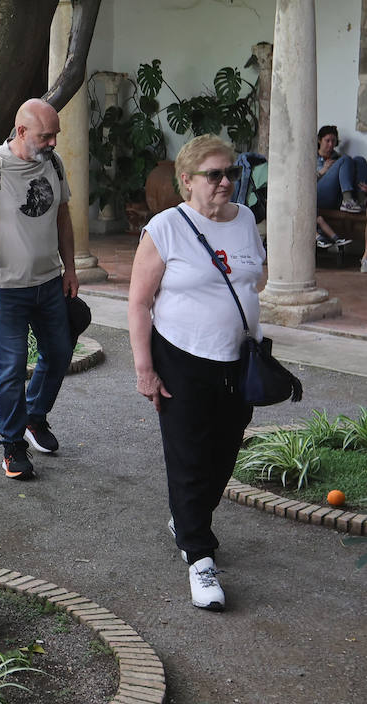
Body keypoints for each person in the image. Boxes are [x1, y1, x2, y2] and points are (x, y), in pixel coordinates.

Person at [127, 134, 266, 612]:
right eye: (214, 175)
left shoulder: (245, 219)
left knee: (224, 454)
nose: (226, 182)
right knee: (188, 456)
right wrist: (144, 368)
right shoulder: (165, 228)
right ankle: (200, 557)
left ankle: (187, 521)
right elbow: (139, 302)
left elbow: (254, 277)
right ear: (186, 182)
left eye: (231, 172)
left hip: (237, 361)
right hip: (181, 357)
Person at [0, 98, 79, 481]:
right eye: (47, 136)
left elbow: (62, 217)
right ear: (22, 131)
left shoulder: (54, 165)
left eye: (56, 135)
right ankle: (12, 445)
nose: (53, 143)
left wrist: (71, 269)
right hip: (5, 289)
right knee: (9, 368)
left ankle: (35, 415)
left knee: (59, 353)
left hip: (48, 282)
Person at [314, 124, 367, 213]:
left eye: (333, 141)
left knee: (359, 160)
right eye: (327, 141)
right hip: (319, 197)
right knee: (345, 159)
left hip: (337, 199)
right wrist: (322, 171)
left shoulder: (338, 158)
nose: (331, 144)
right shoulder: (311, 158)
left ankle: (361, 200)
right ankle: (347, 201)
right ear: (319, 140)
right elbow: (304, 185)